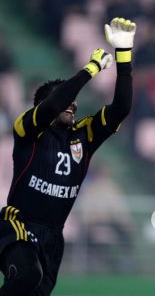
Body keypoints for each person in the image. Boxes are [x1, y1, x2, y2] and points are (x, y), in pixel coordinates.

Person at [0, 17, 136, 295]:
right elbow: (54, 104)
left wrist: (123, 54)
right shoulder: (27, 129)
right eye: (66, 100)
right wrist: (90, 69)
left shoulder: (84, 135)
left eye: (74, 103)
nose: (73, 105)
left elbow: (121, 108)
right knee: (27, 276)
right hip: (17, 224)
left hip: (54, 236)